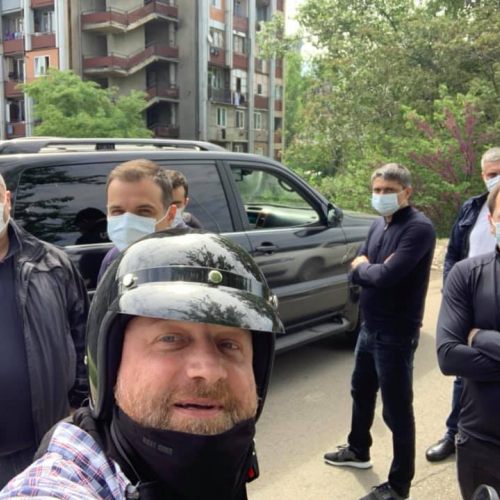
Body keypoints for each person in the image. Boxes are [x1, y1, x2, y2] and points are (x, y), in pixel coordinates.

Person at [0, 229, 284, 499]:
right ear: (111, 365)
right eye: (170, 339)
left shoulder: (235, 459)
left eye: (229, 344)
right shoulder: (59, 483)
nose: (208, 371)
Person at [323, 163, 436, 500]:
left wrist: (367, 269)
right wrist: (369, 268)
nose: (381, 195)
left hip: (396, 333)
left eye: (389, 190)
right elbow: (359, 265)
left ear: (407, 192)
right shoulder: (378, 224)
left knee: (396, 410)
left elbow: (385, 276)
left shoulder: (418, 229)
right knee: (361, 390)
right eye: (377, 190)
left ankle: (399, 486)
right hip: (369, 327)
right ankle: (359, 449)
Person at [0, 174, 88, 488]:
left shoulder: (51, 264)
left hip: (40, 451)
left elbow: (83, 340)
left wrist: (77, 407)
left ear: (7, 199)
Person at [426, 147, 500, 463]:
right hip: (472, 297)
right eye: (491, 174)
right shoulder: (472, 208)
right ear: (482, 176)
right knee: (463, 377)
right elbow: (454, 253)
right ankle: (454, 434)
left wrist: (479, 337)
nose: (496, 179)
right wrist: (452, 288)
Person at [436, 181, 500, 499]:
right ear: (491, 221)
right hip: (482, 441)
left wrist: (480, 337)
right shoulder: (467, 274)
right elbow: (449, 356)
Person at [98, 159, 184, 281]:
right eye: (118, 211)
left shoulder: (189, 261)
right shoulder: (112, 260)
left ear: (170, 215)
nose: (127, 223)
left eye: (144, 211)